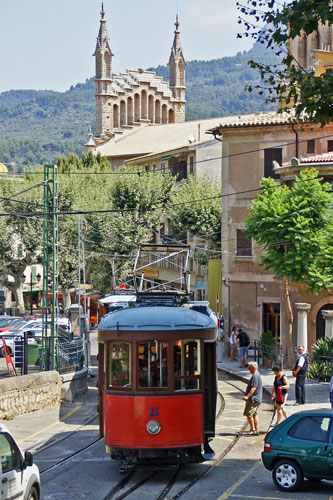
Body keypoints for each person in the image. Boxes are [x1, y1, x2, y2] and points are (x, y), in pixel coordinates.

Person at [243, 362, 262, 435]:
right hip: (257, 399)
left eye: (249, 368)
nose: (248, 370)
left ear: (254, 368)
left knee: (249, 414)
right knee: (254, 414)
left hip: (253, 399)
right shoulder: (257, 375)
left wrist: (247, 396)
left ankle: (253, 429)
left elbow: (254, 387)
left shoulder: (255, 376)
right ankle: (256, 430)